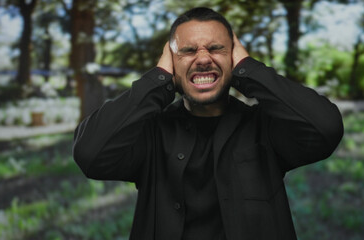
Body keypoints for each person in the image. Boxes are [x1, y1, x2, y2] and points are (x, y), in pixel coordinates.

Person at [73, 7, 344, 240]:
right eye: (188, 51)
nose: (203, 59)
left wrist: (250, 70)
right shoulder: (150, 132)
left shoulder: (265, 127)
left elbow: (326, 128)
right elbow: (89, 153)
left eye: (216, 49)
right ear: (171, 63)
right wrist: (157, 80)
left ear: (234, 58)